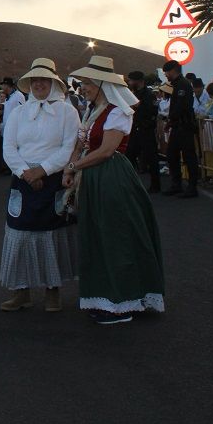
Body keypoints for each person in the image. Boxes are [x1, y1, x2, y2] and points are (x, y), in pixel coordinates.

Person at [64, 56, 165, 325]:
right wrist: (71, 169)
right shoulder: (91, 111)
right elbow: (82, 142)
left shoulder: (117, 112)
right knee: (99, 236)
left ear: (100, 84)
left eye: (86, 83)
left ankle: (121, 301)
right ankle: (108, 296)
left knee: (115, 236)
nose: (82, 87)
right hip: (93, 177)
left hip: (111, 177)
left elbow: (106, 151)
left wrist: (73, 166)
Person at [0, 58, 80, 313]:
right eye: (34, 80)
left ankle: (52, 291)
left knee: (51, 234)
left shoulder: (68, 112)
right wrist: (26, 173)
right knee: (20, 234)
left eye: (44, 80)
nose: (39, 84)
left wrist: (42, 170)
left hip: (53, 178)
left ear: (54, 82)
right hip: (23, 180)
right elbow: (9, 147)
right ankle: (21, 292)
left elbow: (68, 147)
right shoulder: (19, 112)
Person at [162, 60, 200, 198]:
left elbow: (181, 107)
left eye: (167, 72)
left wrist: (171, 120)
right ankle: (177, 184)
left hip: (184, 126)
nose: (166, 75)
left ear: (173, 70)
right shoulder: (178, 84)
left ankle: (192, 187)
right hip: (178, 125)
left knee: (189, 157)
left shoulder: (183, 84)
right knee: (172, 155)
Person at [126, 70, 161, 193]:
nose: (129, 83)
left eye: (131, 80)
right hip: (135, 130)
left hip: (146, 130)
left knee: (151, 158)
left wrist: (137, 106)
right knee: (129, 157)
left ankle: (155, 185)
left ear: (138, 81)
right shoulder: (133, 93)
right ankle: (129, 184)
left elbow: (152, 110)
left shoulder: (148, 94)